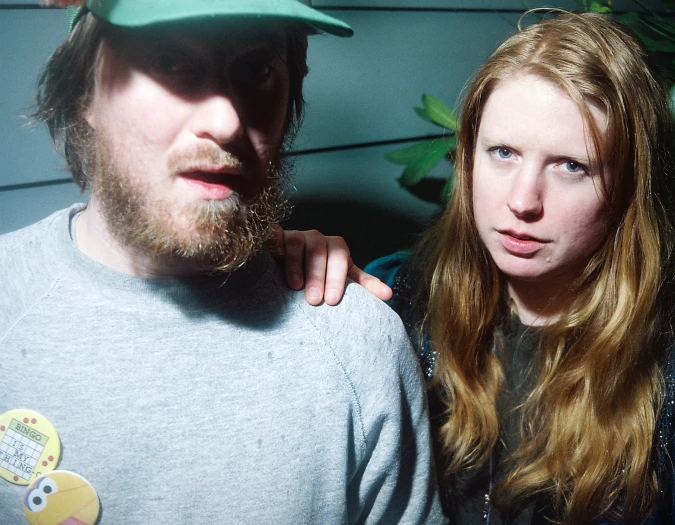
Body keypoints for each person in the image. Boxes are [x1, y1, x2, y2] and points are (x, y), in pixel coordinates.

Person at [281, 11, 675, 525]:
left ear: (628, 188)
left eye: (571, 166)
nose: (522, 201)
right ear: (468, 159)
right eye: (503, 152)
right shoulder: (399, 296)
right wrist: (287, 272)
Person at [0, 1, 445, 522]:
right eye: (169, 61)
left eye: (257, 70)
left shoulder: (358, 346)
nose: (227, 120)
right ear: (84, 93)